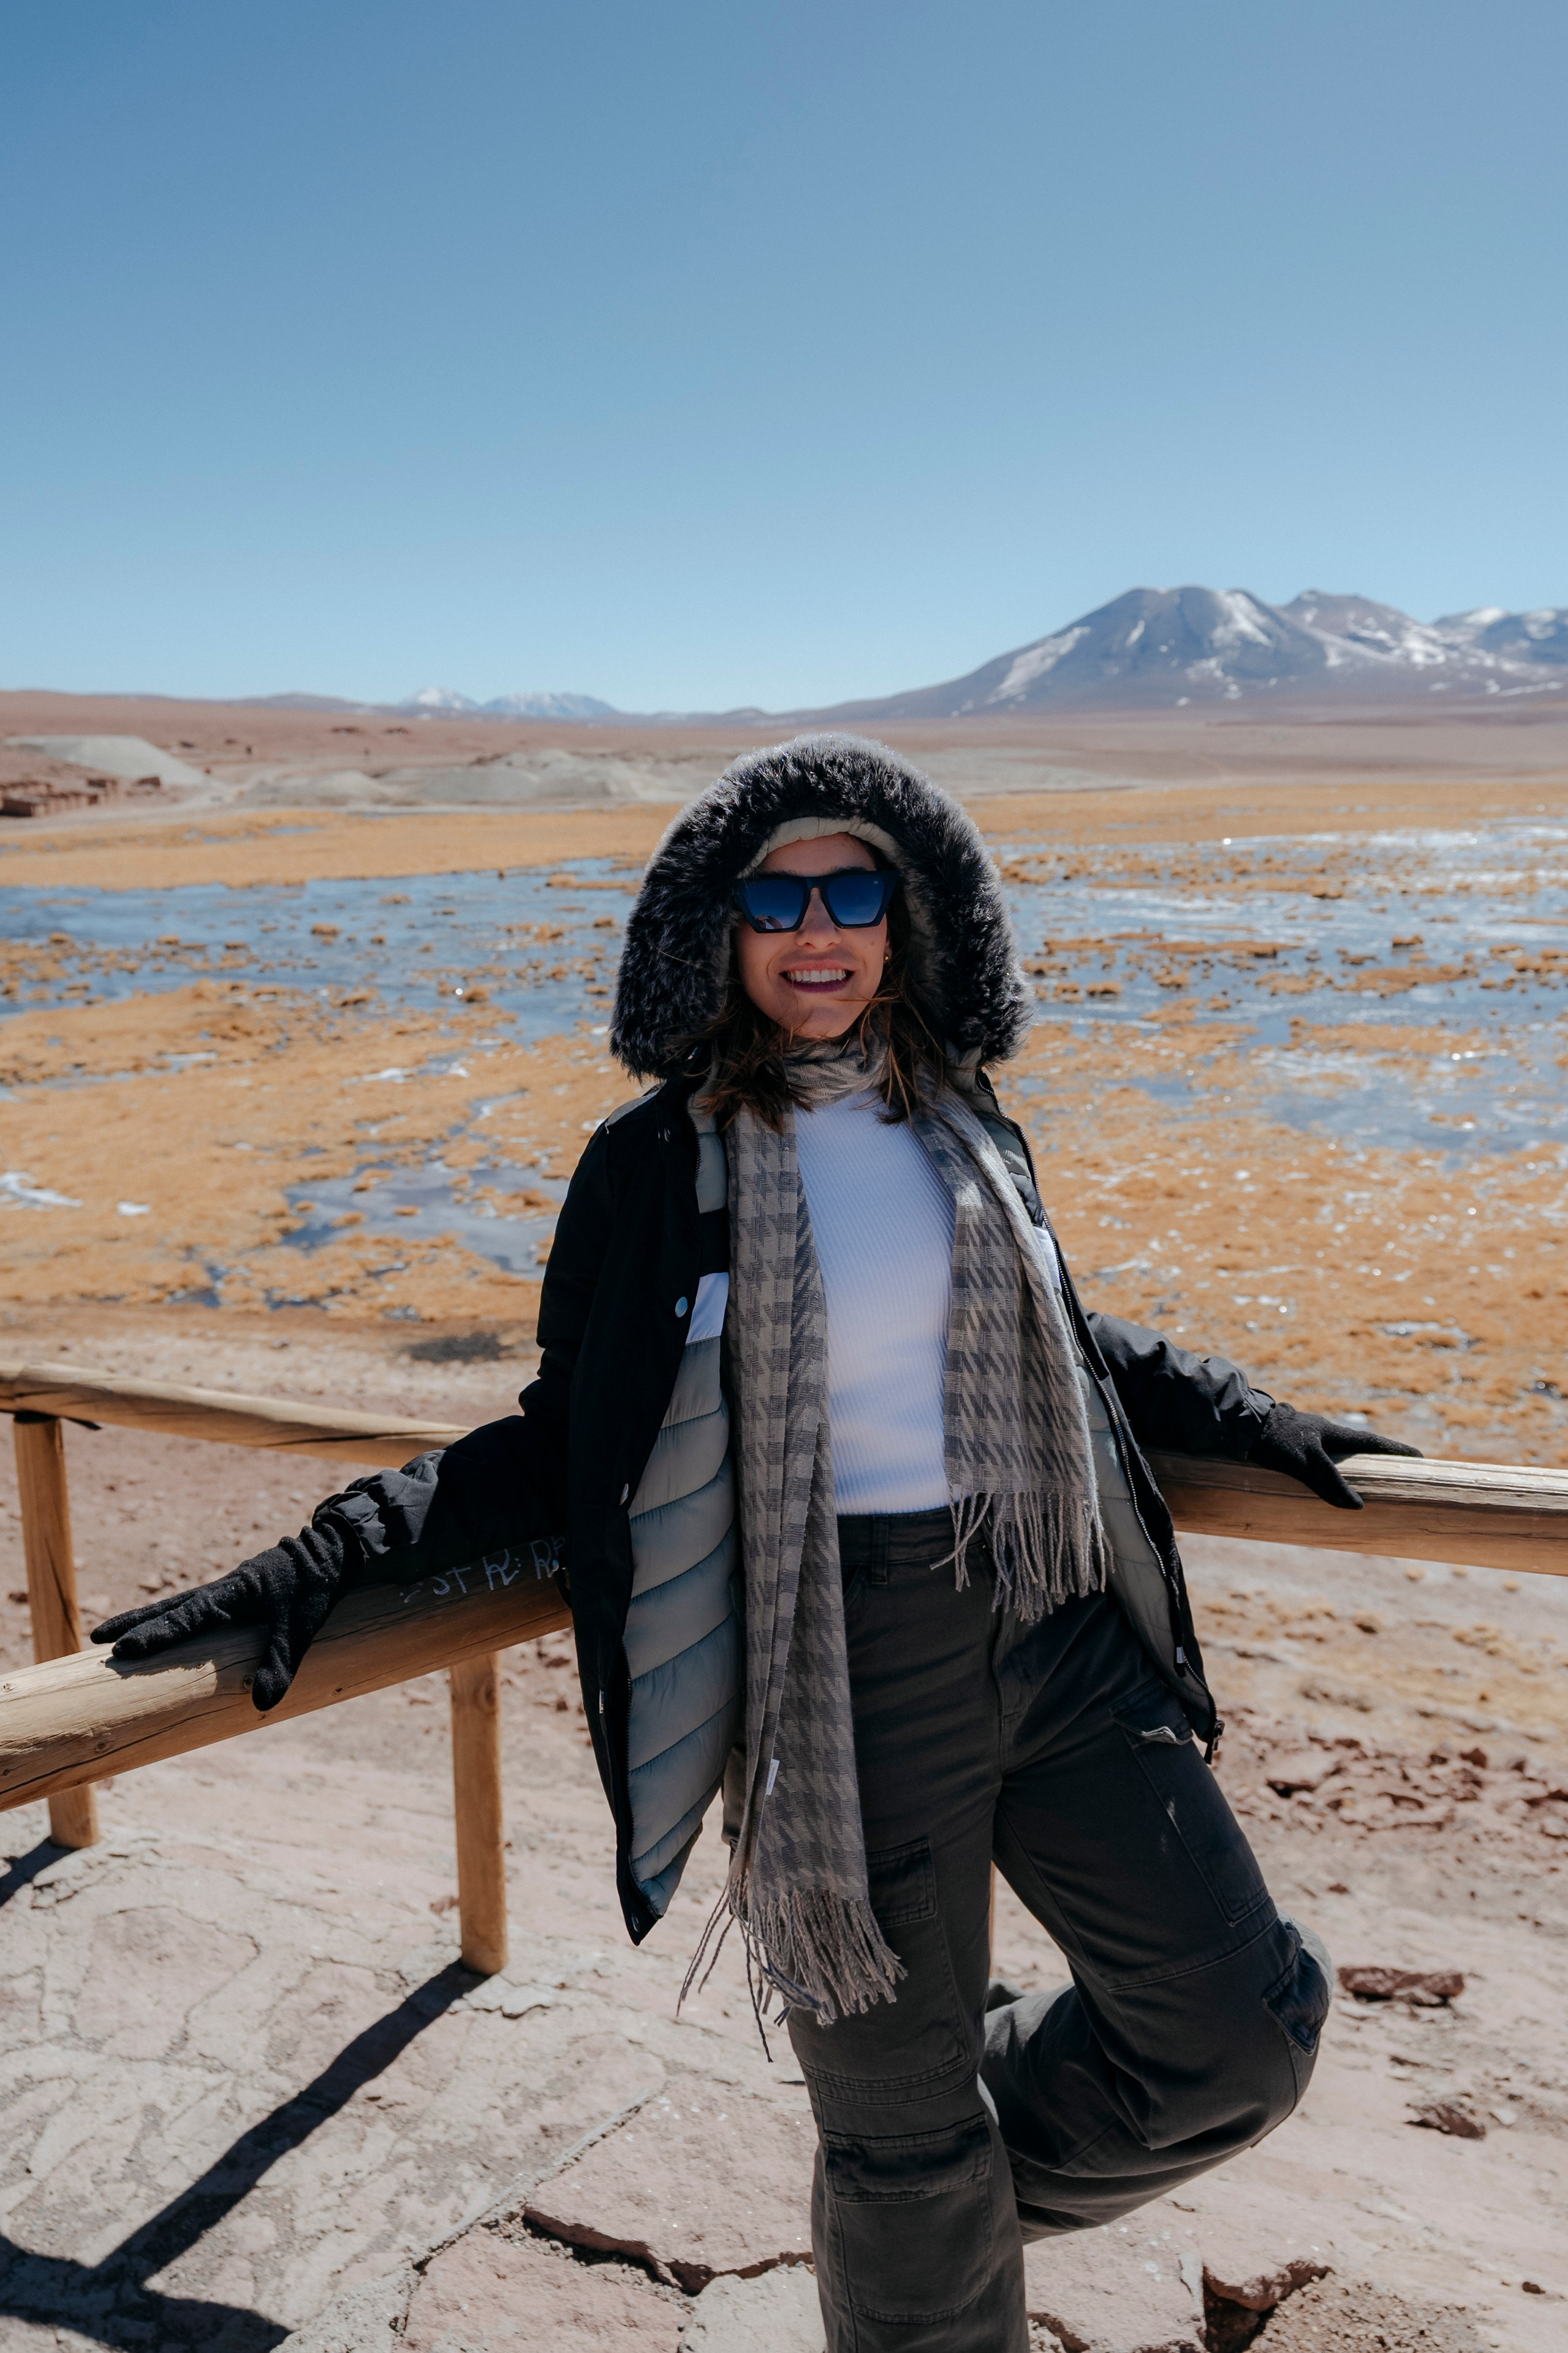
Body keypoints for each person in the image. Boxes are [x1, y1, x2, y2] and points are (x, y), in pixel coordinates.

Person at [97, 736, 1420, 2352]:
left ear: (905, 919)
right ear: (716, 933)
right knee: (909, 2161)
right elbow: (557, 1444)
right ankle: (908, 2186)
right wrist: (325, 1559)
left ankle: (915, 2182)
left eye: (853, 889)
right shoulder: (651, 1169)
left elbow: (1065, 1338)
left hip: (1049, 1621)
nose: (819, 926)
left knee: (1240, 2035)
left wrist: (1263, 1418)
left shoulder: (963, 1122)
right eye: (777, 895)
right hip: (839, 1690)